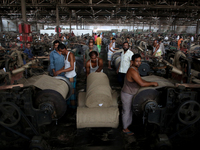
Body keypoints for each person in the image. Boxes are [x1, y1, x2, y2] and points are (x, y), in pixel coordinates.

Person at [121, 54, 158, 135]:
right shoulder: (132, 71)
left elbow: (140, 80)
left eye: (140, 61)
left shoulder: (135, 69)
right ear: (132, 62)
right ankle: (125, 129)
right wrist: (153, 83)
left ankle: (128, 125)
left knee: (130, 111)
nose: (139, 63)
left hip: (131, 93)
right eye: (137, 61)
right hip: (127, 94)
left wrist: (149, 82)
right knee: (126, 111)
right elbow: (141, 83)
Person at [55, 44, 77, 108]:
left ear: (64, 49)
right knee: (68, 92)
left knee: (72, 94)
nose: (61, 53)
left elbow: (72, 67)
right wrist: (58, 71)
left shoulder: (71, 55)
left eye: (61, 51)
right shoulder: (65, 56)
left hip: (71, 77)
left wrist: (60, 71)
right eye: (60, 51)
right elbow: (65, 66)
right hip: (67, 76)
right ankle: (68, 107)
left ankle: (73, 109)